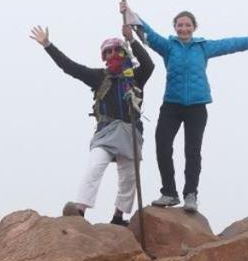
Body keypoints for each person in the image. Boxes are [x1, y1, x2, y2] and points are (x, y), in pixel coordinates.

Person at [121, 2, 248, 213]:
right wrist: (129, 13)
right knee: (162, 145)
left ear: (194, 27)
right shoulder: (168, 47)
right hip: (172, 104)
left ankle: (190, 194)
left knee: (192, 151)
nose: (184, 28)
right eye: (180, 25)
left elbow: (231, 44)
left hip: (197, 106)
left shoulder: (203, 47)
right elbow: (149, 34)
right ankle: (169, 193)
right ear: (175, 28)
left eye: (187, 25)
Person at [29, 23, 154, 225]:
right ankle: (79, 211)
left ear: (124, 52)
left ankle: (118, 217)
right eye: (108, 51)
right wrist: (48, 45)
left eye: (117, 50)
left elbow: (149, 65)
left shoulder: (136, 77)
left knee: (129, 177)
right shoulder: (99, 77)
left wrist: (131, 39)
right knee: (94, 167)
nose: (113, 54)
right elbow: (69, 67)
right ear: (103, 57)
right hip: (106, 133)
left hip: (130, 132)